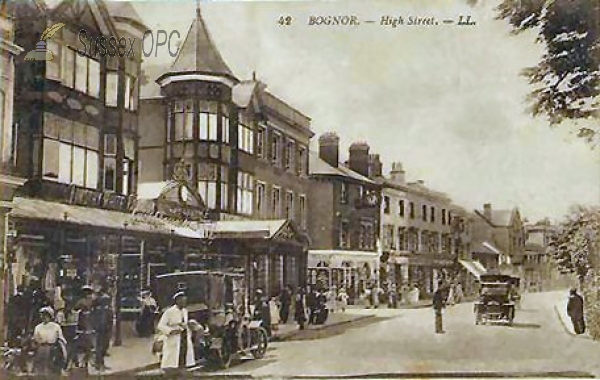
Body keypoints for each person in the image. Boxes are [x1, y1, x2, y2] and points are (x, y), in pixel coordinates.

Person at [156, 292, 196, 373]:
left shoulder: (185, 311)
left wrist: (188, 325)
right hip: (174, 337)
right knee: (172, 358)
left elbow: (185, 322)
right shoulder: (169, 312)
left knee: (184, 354)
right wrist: (171, 331)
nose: (184, 303)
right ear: (177, 301)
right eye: (182, 301)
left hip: (184, 336)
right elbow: (160, 325)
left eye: (185, 301)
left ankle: (182, 368)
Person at [32, 307, 67, 377]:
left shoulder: (56, 326)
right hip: (41, 348)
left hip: (53, 349)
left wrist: (63, 350)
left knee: (52, 368)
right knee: (41, 368)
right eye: (42, 315)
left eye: (46, 315)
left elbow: (60, 338)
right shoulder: (38, 327)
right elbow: (35, 339)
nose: (44, 317)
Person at [90, 282, 113, 371]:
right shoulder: (97, 308)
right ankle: (99, 364)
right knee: (100, 346)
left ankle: (100, 363)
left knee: (104, 345)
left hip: (106, 327)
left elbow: (110, 317)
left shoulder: (107, 308)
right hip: (100, 327)